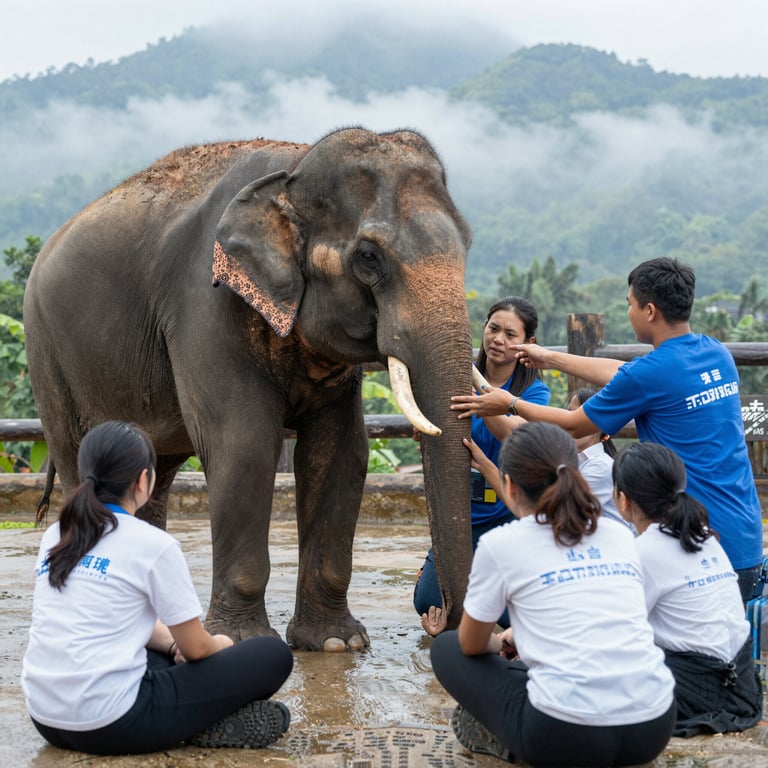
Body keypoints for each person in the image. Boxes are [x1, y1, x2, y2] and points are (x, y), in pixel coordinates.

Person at [450, 257, 763, 602]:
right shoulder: (715, 352)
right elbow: (622, 371)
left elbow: (572, 425)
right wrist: (551, 357)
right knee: (732, 647)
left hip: (695, 539)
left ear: (649, 311)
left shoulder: (651, 374)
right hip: (745, 529)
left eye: (630, 304)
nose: (627, 312)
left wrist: (509, 403)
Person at [21, 421, 294, 755]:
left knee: (160, 655)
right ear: (143, 480)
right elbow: (198, 650)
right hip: (114, 724)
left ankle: (191, 718)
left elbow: (112, 617)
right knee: (272, 654)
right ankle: (201, 722)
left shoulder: (58, 534)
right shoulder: (153, 545)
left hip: (47, 718)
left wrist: (170, 645)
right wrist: (222, 643)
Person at [429, 422, 676, 767]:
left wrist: (503, 641)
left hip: (568, 738)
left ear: (509, 485)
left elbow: (471, 645)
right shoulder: (617, 534)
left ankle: (507, 740)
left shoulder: (502, 544)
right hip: (652, 727)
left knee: (446, 648)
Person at [413, 296, 550, 630]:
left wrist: (484, 399)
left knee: (509, 614)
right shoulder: (453, 382)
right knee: (428, 602)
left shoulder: (533, 394)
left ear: (527, 344)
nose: (498, 340)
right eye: (493, 329)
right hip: (458, 515)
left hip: (505, 515)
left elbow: (518, 434)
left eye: (510, 334)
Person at [613, 441, 763, 738]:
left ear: (623, 500)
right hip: (744, 688)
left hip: (699, 694)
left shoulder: (643, 551)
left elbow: (611, 630)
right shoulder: (704, 536)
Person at [568, 387, 625, 526]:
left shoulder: (601, 466)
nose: (569, 422)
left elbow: (564, 509)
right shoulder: (575, 461)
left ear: (599, 425)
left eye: (578, 416)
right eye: (569, 414)